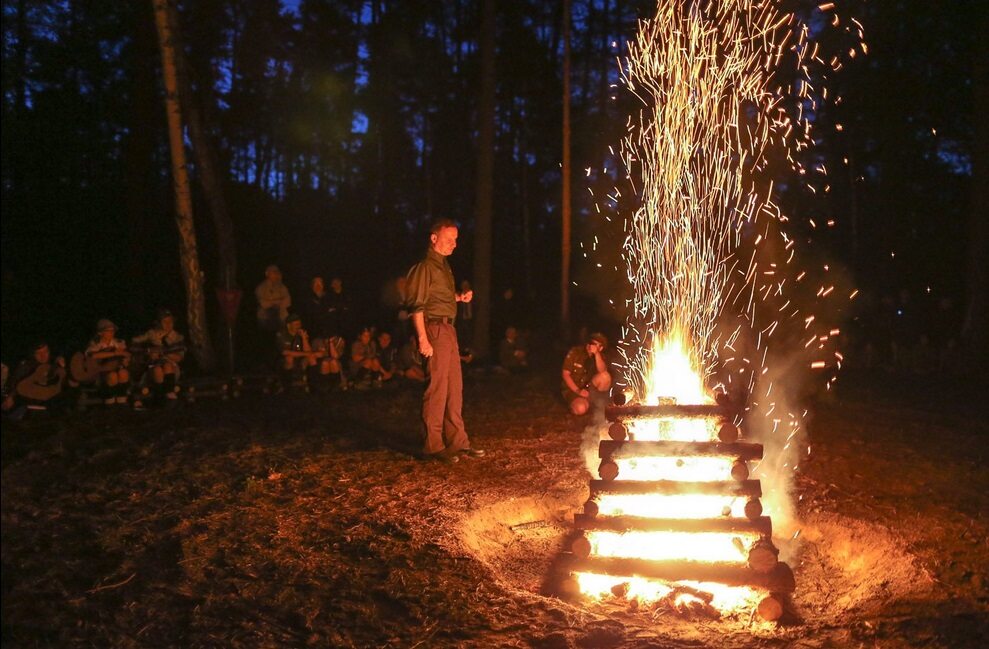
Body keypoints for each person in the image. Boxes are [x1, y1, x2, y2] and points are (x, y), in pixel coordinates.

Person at [406, 219, 485, 463]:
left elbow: (438, 296)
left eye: (456, 239)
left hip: (448, 330)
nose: (454, 243)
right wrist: (423, 338)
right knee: (438, 388)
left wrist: (458, 297)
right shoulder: (424, 267)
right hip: (434, 330)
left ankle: (458, 442)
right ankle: (433, 445)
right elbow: (417, 306)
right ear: (433, 238)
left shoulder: (443, 266)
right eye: (449, 238)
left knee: (454, 388)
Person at [131, 309, 185, 408]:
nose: (168, 324)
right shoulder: (152, 334)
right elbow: (134, 343)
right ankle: (159, 398)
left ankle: (169, 393)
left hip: (171, 369)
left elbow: (179, 356)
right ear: (159, 323)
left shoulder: (177, 337)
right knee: (157, 369)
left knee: (167, 366)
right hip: (154, 367)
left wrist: (164, 354)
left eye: (170, 321)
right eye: (165, 322)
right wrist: (148, 351)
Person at [561, 332, 612, 416]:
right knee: (580, 408)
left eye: (595, 344)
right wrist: (578, 391)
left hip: (589, 389)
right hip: (573, 389)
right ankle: (581, 405)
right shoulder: (576, 352)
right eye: (591, 342)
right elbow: (565, 374)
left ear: (601, 348)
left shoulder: (599, 357)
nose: (591, 346)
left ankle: (594, 405)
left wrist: (596, 354)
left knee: (605, 377)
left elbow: (603, 371)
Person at [83, 319, 132, 405]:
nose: (111, 333)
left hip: (117, 367)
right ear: (100, 333)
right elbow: (93, 355)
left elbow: (125, 355)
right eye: (108, 331)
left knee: (123, 373)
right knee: (112, 376)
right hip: (102, 372)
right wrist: (114, 353)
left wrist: (126, 358)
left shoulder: (119, 342)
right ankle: (109, 398)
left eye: (112, 331)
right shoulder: (96, 344)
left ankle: (121, 398)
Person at [10, 342, 67, 414]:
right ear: (33, 354)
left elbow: (62, 387)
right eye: (38, 353)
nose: (42, 356)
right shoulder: (26, 367)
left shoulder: (54, 366)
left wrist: (63, 368)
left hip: (49, 407)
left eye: (45, 352)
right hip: (27, 405)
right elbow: (15, 384)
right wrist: (11, 396)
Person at [276, 313, 325, 389]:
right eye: (296, 324)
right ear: (289, 325)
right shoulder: (281, 335)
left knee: (312, 358)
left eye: (299, 324)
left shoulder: (301, 334)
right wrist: (307, 354)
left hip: (300, 359)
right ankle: (287, 386)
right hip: (283, 361)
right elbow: (285, 352)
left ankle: (314, 385)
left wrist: (304, 338)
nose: (298, 326)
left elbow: (307, 351)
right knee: (289, 358)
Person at [255, 265, 292, 333]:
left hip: (280, 318)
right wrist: (278, 301)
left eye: (277, 272)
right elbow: (263, 304)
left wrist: (272, 302)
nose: (276, 274)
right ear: (267, 273)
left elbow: (287, 302)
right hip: (265, 319)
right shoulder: (261, 288)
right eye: (273, 272)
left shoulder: (282, 287)